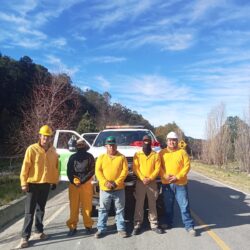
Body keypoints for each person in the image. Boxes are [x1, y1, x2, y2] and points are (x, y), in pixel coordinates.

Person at [18, 125, 59, 248]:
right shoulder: (32, 149)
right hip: (33, 184)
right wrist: (23, 183)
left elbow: (55, 167)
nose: (46, 138)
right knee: (29, 212)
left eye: (48, 136)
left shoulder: (53, 151)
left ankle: (39, 231)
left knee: (41, 209)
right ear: (40, 136)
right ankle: (25, 237)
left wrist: (54, 181)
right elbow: (25, 167)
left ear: (50, 138)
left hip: (45, 184)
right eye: (44, 136)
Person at [159, 131, 196, 236]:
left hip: (180, 184)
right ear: (167, 141)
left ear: (177, 142)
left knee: (184, 206)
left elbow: (187, 166)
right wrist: (165, 175)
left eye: (174, 140)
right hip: (166, 184)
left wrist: (177, 177)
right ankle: (168, 223)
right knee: (168, 205)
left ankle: (189, 226)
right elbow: (159, 167)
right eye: (170, 140)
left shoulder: (182, 152)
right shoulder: (162, 153)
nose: (172, 142)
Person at [95, 136, 128, 238]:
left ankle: (121, 229)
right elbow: (98, 171)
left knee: (120, 210)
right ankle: (101, 229)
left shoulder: (122, 157)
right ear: (106, 146)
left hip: (119, 188)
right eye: (109, 145)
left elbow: (125, 171)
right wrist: (105, 182)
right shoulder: (101, 158)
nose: (112, 147)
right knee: (103, 210)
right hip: (105, 189)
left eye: (113, 145)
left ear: (116, 146)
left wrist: (116, 182)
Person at [132, 135, 163, 235]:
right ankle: (137, 224)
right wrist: (142, 178)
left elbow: (157, 169)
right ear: (142, 141)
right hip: (140, 182)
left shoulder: (155, 155)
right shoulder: (137, 154)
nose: (146, 142)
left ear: (151, 142)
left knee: (152, 204)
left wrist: (150, 178)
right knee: (139, 204)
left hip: (152, 183)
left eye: (148, 140)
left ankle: (154, 224)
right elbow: (135, 168)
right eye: (145, 140)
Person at [66, 139, 95, 236]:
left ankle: (88, 226)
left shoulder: (90, 157)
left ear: (85, 146)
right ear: (76, 146)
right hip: (74, 185)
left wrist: (81, 181)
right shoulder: (72, 157)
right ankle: (72, 226)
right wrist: (74, 181)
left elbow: (92, 171)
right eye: (78, 145)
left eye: (82, 145)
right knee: (74, 207)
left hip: (85, 184)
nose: (80, 146)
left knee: (87, 206)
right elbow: (69, 171)